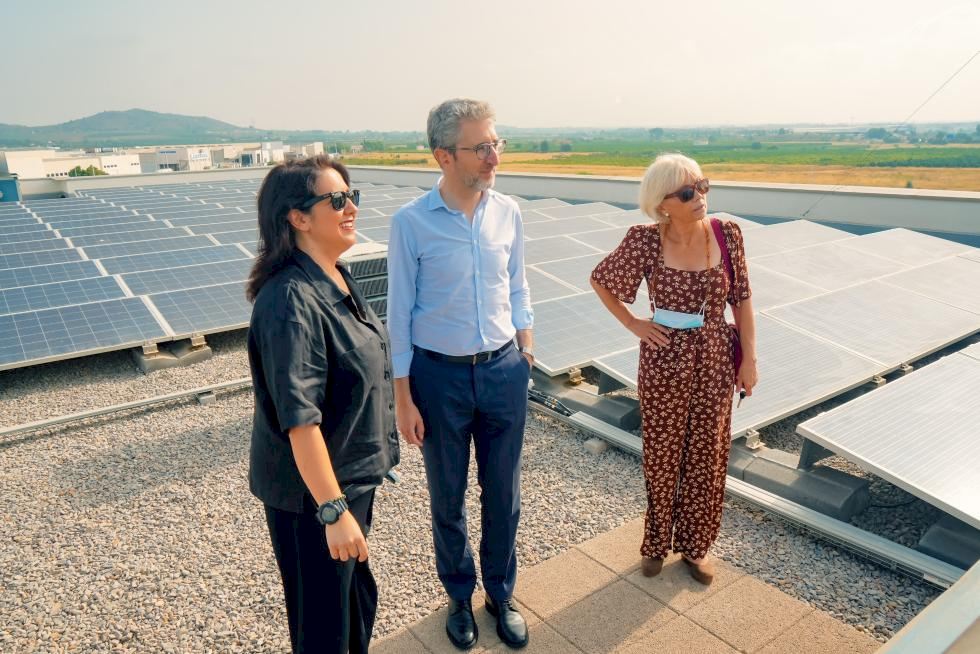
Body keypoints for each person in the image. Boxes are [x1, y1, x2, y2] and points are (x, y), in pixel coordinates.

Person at [386, 98, 533, 650]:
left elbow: (517, 286)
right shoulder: (411, 223)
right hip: (438, 380)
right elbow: (398, 314)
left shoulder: (508, 212)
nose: (495, 156)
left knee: (504, 494)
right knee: (447, 497)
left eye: (497, 143)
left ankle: (500, 593)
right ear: (443, 156)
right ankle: (458, 595)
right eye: (482, 147)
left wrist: (526, 349)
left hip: (503, 371)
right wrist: (403, 398)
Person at [245, 155, 399, 653]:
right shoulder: (290, 300)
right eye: (336, 199)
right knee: (324, 631)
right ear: (298, 217)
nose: (351, 207)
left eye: (352, 196)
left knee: (355, 605)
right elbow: (300, 421)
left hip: (348, 481)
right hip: (312, 500)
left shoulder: (336, 274)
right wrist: (333, 511)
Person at [590, 153, 757, 585]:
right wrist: (634, 323)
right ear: (662, 203)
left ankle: (696, 547)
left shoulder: (727, 234)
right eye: (686, 192)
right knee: (662, 454)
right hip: (663, 359)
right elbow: (601, 280)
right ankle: (655, 543)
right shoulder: (645, 241)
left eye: (702, 185)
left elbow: (742, 300)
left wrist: (749, 359)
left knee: (707, 452)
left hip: (717, 357)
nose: (699, 196)